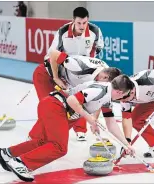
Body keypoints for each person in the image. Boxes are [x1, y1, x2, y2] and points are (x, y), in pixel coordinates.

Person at [0, 75, 135, 182]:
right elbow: (71, 100)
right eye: (125, 94)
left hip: (52, 105)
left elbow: (111, 123)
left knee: (43, 141)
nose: (125, 97)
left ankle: (7, 154)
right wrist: (89, 119)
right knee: (59, 147)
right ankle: (21, 162)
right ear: (119, 91)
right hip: (56, 107)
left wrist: (126, 144)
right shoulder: (100, 90)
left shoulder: (107, 96)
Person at [33, 6, 104, 140]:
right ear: (73, 21)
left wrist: (89, 63)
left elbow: (98, 48)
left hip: (82, 70)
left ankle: (81, 129)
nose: (82, 26)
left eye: (85, 23)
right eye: (79, 23)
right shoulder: (63, 32)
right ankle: (40, 135)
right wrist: (56, 75)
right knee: (60, 102)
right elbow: (51, 54)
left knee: (81, 98)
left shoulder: (95, 31)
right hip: (65, 68)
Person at [32, 51, 121, 141]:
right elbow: (54, 54)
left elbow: (98, 98)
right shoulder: (80, 66)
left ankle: (46, 139)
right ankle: (35, 139)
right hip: (46, 74)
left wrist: (93, 121)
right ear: (105, 78)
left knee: (69, 114)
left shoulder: (106, 76)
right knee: (49, 111)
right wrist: (56, 78)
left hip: (66, 83)